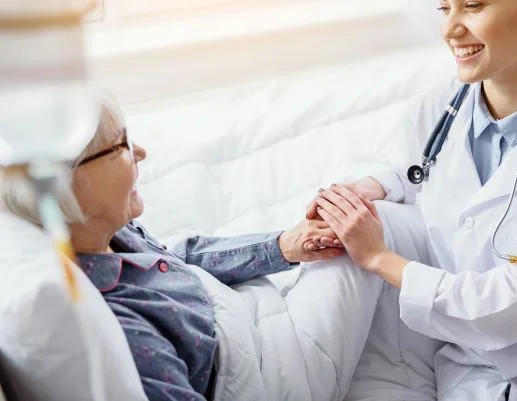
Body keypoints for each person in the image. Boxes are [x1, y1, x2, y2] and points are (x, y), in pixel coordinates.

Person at [0, 92, 384, 401]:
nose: (140, 152)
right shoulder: (127, 335)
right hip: (274, 370)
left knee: (353, 222)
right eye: (120, 145)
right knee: (374, 220)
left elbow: (171, 259)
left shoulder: (102, 235)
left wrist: (281, 246)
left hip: (243, 318)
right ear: (66, 183)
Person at [307, 0, 517, 400]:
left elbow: (512, 306)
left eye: (473, 6)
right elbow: (409, 167)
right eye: (446, 8)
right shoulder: (444, 104)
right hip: (468, 368)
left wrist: (378, 258)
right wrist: (366, 190)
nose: (450, 29)